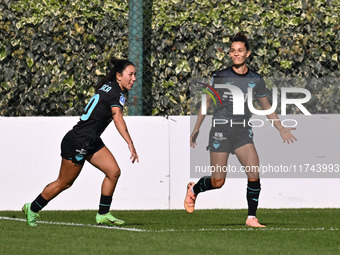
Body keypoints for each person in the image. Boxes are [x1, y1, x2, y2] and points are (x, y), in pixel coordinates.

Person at [185, 32, 297, 227]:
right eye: (233, 51)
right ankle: (194, 189)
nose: (236, 54)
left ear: (247, 54)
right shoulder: (219, 76)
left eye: (240, 51)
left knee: (254, 172)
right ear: (230, 54)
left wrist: (280, 127)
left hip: (243, 132)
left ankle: (251, 217)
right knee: (218, 181)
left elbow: (266, 106)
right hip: (221, 131)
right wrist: (197, 128)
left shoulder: (256, 79)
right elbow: (206, 103)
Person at [22, 57, 139, 227]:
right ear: (119, 76)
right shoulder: (116, 93)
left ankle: (103, 214)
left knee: (113, 172)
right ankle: (32, 208)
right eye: (131, 74)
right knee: (64, 182)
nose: (134, 78)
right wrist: (130, 142)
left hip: (90, 141)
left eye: (135, 75)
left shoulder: (109, 87)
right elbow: (117, 117)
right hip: (78, 142)